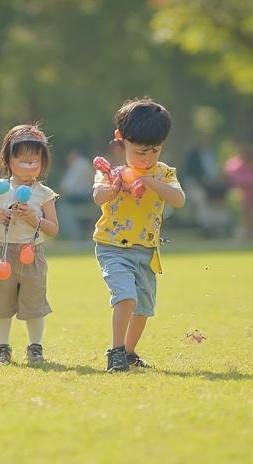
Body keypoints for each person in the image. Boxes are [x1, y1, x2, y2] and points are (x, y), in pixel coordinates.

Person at [93, 98, 185, 372]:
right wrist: (116, 186)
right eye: (140, 152)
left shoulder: (164, 173)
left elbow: (179, 199)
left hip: (146, 250)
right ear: (121, 141)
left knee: (143, 308)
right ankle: (116, 352)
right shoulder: (112, 173)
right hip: (112, 246)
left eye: (154, 151)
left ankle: (130, 352)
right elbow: (98, 196)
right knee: (125, 296)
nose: (147, 158)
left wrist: (152, 183)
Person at [0, 124, 59, 366]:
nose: (29, 166)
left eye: (35, 162)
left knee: (34, 304)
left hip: (31, 253)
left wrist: (36, 219)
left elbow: (53, 228)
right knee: (0, 302)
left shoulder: (44, 193)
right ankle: (2, 348)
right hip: (2, 251)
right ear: (9, 161)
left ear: (43, 163)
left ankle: (35, 347)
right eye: (23, 161)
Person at [57, 148, 95, 240]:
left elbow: (66, 186)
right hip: (89, 197)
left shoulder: (78, 165)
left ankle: (71, 233)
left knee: (60, 203)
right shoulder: (85, 163)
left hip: (81, 197)